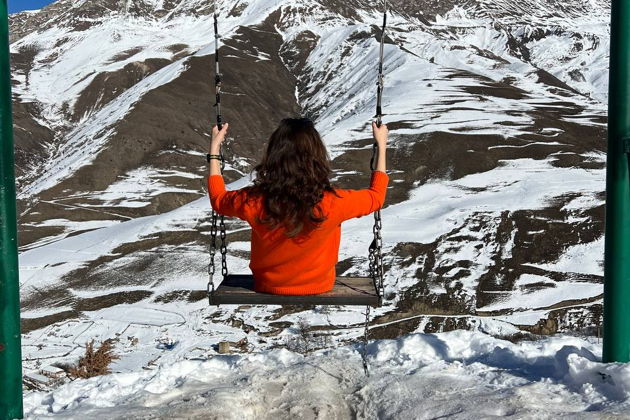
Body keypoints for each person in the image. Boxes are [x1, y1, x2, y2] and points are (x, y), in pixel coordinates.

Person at [207, 118, 389, 295]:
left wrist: (214, 149)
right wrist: (381, 146)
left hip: (268, 283)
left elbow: (218, 199)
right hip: (320, 284)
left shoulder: (254, 200)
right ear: (317, 156)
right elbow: (376, 196)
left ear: (273, 156)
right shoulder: (334, 201)